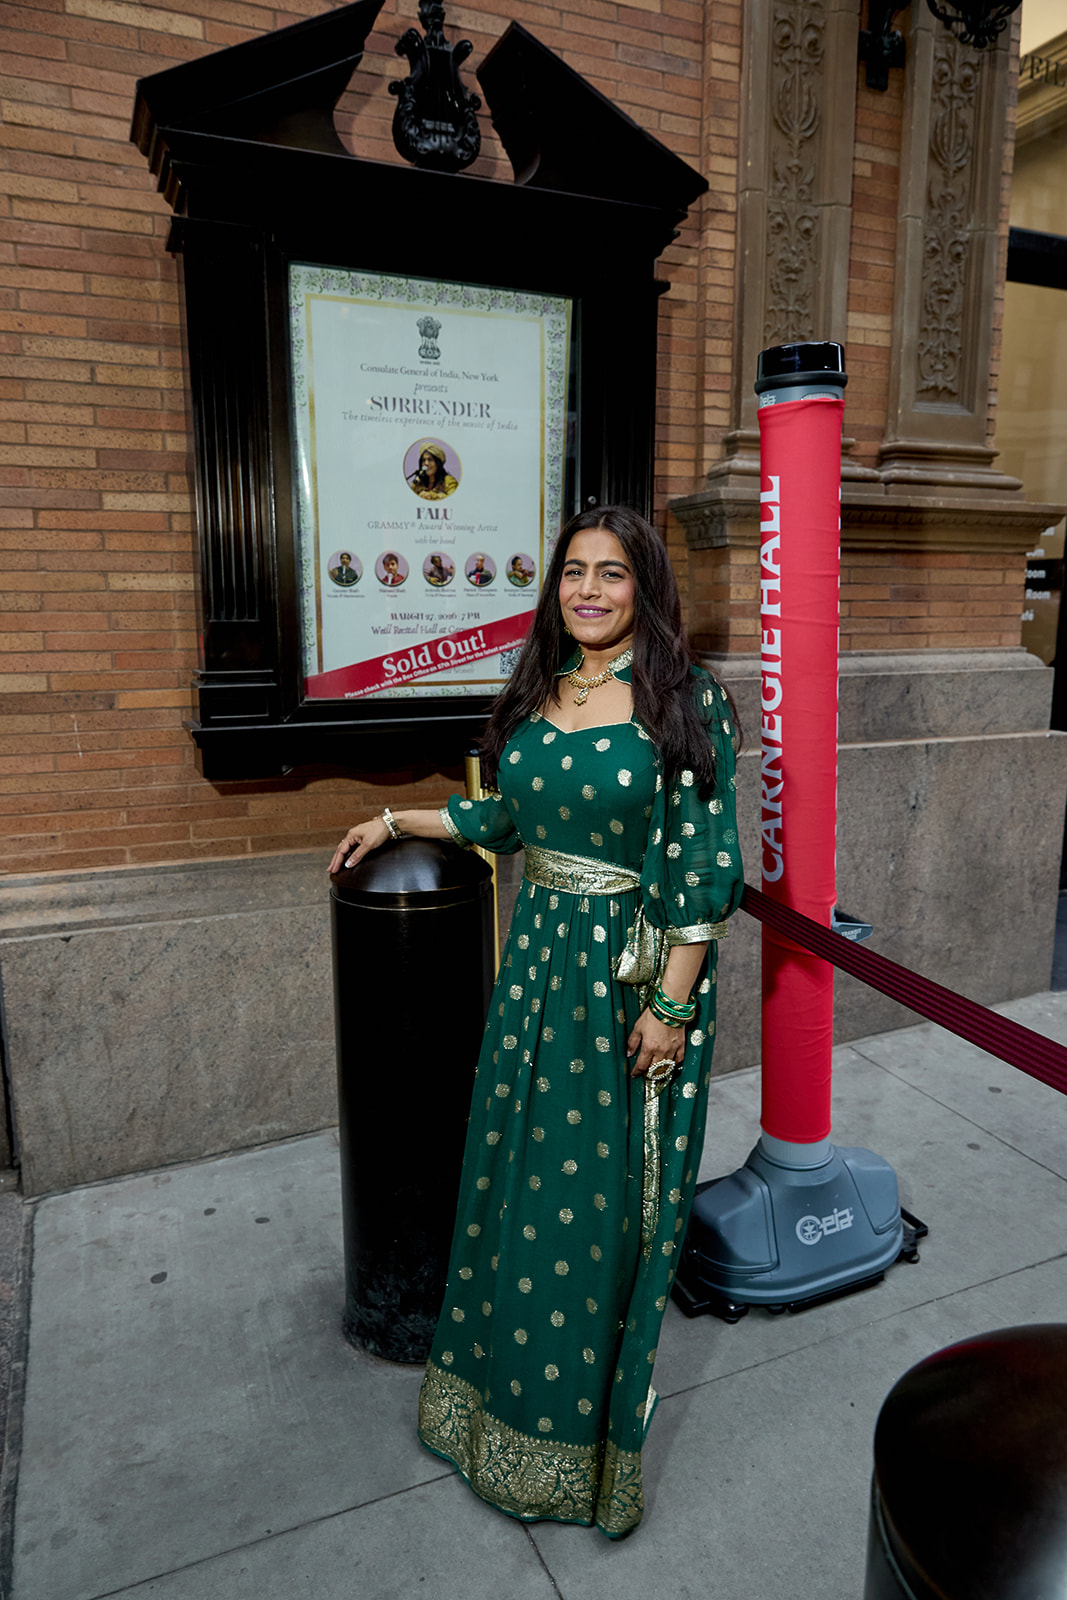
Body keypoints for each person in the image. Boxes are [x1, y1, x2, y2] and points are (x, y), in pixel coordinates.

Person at [329, 505, 743, 1538]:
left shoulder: (686, 701)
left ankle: (577, 1455)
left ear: (644, 586)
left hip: (621, 989)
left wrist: (671, 1006)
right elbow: (500, 820)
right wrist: (394, 817)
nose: (589, 591)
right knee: (517, 1190)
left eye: (611, 573)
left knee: (596, 1215)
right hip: (533, 986)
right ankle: (492, 1415)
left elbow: (701, 867)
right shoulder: (540, 689)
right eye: (572, 573)